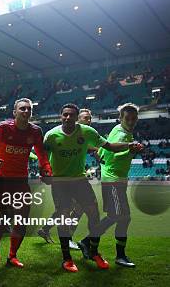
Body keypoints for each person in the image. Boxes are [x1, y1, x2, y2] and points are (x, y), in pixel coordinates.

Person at [43, 103, 143, 272]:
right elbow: (43, 156)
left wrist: (129, 146)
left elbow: (108, 147)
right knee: (64, 217)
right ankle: (67, 258)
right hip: (60, 182)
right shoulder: (51, 135)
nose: (68, 118)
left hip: (80, 180)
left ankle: (93, 251)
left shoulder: (87, 132)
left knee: (94, 213)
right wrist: (44, 171)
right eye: (65, 115)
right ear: (61, 116)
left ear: (76, 118)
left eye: (71, 115)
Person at [0, 98, 52, 268]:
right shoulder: (3, 127)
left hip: (20, 180)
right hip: (1, 179)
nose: (26, 111)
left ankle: (12, 256)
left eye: (29, 109)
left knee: (22, 219)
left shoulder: (35, 131)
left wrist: (46, 168)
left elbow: (41, 154)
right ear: (14, 112)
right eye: (22, 109)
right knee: (2, 216)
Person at [37, 108, 96, 247]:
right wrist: (45, 171)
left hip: (76, 179)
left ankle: (45, 229)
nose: (89, 121)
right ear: (78, 120)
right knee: (74, 209)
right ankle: (67, 239)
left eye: (90, 118)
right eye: (85, 118)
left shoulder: (84, 134)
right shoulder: (59, 134)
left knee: (66, 209)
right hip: (63, 180)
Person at [96, 103, 143, 267]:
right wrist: (130, 150)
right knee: (120, 217)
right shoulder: (122, 135)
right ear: (120, 118)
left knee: (120, 217)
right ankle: (90, 243)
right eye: (127, 118)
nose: (130, 122)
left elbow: (102, 154)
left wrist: (130, 150)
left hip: (116, 179)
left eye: (133, 118)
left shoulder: (120, 131)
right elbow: (112, 157)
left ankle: (90, 243)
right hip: (113, 180)